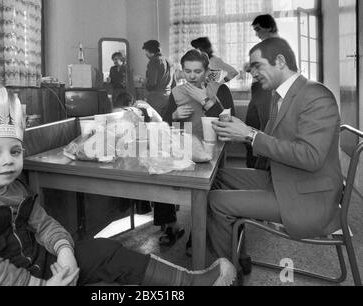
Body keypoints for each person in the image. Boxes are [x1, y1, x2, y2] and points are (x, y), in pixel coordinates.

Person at [0, 87, 236, 286]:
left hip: (41, 265)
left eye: (15, 152)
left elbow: (45, 225)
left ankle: (191, 283)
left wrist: (65, 251)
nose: (8, 162)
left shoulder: (16, 189)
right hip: (9, 282)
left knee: (101, 249)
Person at [208, 37, 342, 282]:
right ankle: (237, 258)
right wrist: (240, 131)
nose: (253, 73)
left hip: (308, 197)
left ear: (280, 61)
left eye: (257, 66)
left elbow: (311, 157)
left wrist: (249, 134)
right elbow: (268, 142)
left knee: (216, 201)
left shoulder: (316, 95)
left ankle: (226, 276)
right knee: (214, 178)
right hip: (284, 179)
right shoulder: (282, 96)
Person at [161, 49, 234, 251]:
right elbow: (165, 123)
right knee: (159, 173)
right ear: (182, 71)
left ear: (206, 70)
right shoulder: (177, 92)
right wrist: (174, 115)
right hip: (184, 146)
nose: (192, 76)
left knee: (208, 191)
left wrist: (205, 100)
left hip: (213, 149)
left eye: (197, 71)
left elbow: (230, 122)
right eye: (187, 71)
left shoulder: (219, 90)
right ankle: (171, 225)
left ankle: (199, 233)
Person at [245, 14, 280, 168]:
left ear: (270, 27)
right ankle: (253, 170)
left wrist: (253, 67)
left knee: (265, 133)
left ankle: (262, 171)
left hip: (268, 93)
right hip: (257, 94)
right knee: (249, 131)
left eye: (258, 29)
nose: (257, 33)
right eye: (255, 30)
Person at [142, 40, 173, 116]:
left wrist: (143, 81)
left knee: (155, 124)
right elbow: (174, 82)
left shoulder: (154, 61)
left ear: (148, 50)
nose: (145, 54)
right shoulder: (168, 61)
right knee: (166, 122)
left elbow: (152, 84)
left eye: (145, 51)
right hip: (168, 97)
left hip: (156, 98)